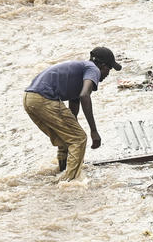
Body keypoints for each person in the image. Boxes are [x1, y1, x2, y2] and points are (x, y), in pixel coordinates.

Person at [23, 47, 121, 181]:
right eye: (108, 69)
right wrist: (94, 131)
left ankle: (62, 171)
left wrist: (73, 124)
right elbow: (84, 95)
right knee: (79, 139)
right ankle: (69, 182)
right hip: (44, 98)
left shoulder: (80, 69)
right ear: (102, 65)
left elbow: (75, 101)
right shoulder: (93, 69)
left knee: (67, 137)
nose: (107, 74)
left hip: (30, 99)